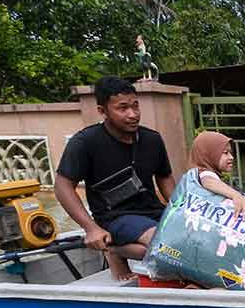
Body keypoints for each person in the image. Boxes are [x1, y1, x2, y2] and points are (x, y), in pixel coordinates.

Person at [55, 76, 174, 280]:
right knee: (167, 248)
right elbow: (62, 187)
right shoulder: (85, 142)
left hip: (152, 211)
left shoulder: (152, 139)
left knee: (190, 242)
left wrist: (181, 212)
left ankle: (119, 250)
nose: (132, 114)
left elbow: (165, 178)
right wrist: (91, 229)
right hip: (114, 217)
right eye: (123, 108)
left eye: (135, 106)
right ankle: (114, 250)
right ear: (103, 111)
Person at [189, 131, 245, 219]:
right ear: (210, 154)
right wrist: (236, 195)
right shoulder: (204, 173)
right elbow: (208, 180)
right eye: (225, 153)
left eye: (230, 153)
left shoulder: (196, 175)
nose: (231, 157)